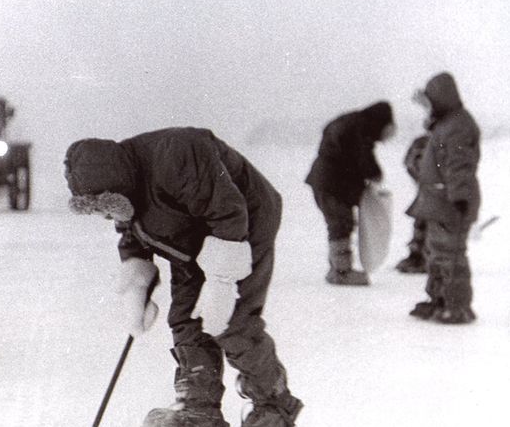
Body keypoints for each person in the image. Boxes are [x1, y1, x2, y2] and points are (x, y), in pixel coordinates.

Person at [64, 128, 302, 427]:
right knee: (186, 318)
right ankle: (198, 410)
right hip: (189, 236)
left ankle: (275, 405)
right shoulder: (124, 190)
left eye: (107, 207)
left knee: (230, 321)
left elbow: (229, 212)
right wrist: (137, 283)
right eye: (100, 211)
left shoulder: (175, 156)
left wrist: (221, 282)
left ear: (118, 186)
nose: (107, 217)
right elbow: (131, 230)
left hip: (244, 223)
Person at [407, 72, 480, 324]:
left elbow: (460, 165)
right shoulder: (449, 122)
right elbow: (436, 134)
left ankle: (457, 305)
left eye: (432, 100)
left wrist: (460, 198)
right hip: (438, 202)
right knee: (436, 253)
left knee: (451, 255)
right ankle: (438, 300)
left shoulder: (458, 126)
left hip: (451, 203)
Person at [305, 101, 396, 285]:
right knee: (340, 223)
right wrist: (375, 174)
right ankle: (342, 271)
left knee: (339, 223)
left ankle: (337, 268)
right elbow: (363, 158)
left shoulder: (353, 122)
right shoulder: (360, 127)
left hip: (326, 179)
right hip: (332, 182)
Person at [395, 134, 431, 274]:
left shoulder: (424, 142)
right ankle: (419, 256)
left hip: (433, 188)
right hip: (430, 188)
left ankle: (421, 256)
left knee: (426, 220)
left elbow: (410, 163)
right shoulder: (424, 142)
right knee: (424, 220)